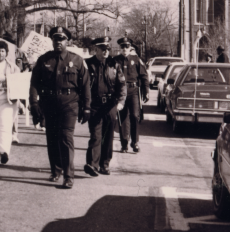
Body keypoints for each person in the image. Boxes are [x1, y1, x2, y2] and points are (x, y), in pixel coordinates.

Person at [30, 26, 90, 189]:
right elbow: (34, 83)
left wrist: (86, 107)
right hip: (49, 103)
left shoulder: (77, 60)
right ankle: (55, 170)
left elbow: (85, 85)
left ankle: (68, 176)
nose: (59, 42)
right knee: (52, 138)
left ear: (67, 41)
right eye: (56, 39)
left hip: (69, 104)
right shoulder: (43, 60)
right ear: (52, 40)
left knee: (65, 137)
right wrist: (34, 104)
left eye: (62, 39)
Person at [83, 37, 126, 177]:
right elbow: (82, 84)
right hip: (94, 104)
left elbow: (121, 85)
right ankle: (92, 165)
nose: (105, 52)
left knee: (108, 136)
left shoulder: (114, 64)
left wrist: (121, 102)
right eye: (102, 49)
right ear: (96, 49)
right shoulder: (88, 64)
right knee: (95, 135)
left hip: (110, 105)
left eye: (107, 49)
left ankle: (105, 164)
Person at [114, 36, 149, 153]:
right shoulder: (115, 60)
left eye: (127, 46)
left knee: (134, 116)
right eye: (122, 46)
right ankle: (124, 144)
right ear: (120, 47)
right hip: (120, 93)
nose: (125, 48)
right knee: (122, 118)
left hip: (133, 91)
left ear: (130, 47)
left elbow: (144, 76)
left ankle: (135, 142)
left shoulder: (136, 59)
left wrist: (146, 91)